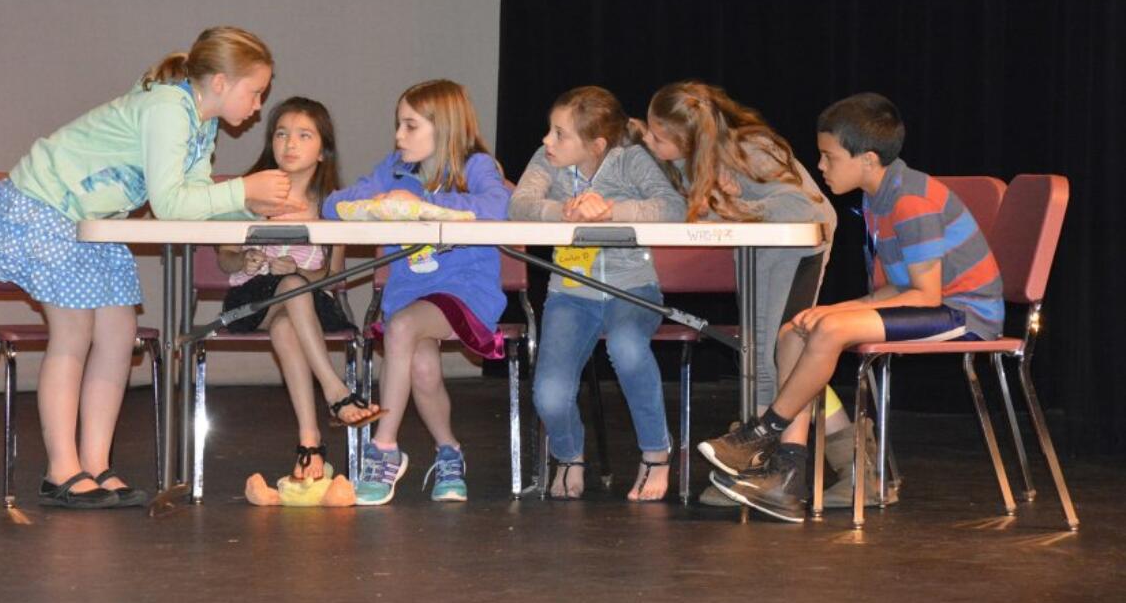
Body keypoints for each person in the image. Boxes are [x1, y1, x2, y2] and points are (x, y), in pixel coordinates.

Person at [0, 26, 291, 508]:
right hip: (48, 206)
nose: (259, 105)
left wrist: (251, 209)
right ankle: (61, 470)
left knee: (119, 334)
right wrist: (244, 190)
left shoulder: (202, 125)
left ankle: (94, 465)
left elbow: (194, 201)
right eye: (255, 91)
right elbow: (168, 202)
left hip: (93, 223)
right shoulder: (167, 109)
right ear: (220, 83)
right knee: (73, 331)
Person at [705, 92, 1004, 522]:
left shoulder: (909, 200)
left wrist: (839, 319)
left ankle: (762, 433)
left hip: (967, 315)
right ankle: (787, 474)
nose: (821, 167)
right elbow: (891, 290)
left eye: (828, 157)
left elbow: (927, 295)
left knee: (828, 330)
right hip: (929, 304)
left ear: (866, 159)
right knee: (797, 330)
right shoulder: (876, 198)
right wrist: (834, 309)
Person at [639, 81, 848, 507]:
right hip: (759, 256)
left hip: (800, 250)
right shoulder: (690, 161)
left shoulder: (751, 148)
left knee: (777, 354)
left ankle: (765, 467)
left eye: (657, 135)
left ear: (686, 137)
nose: (649, 140)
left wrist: (743, 208)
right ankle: (856, 460)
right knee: (762, 355)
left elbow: (802, 210)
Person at [322, 79, 510, 505]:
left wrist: (422, 204)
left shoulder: (476, 166)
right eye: (398, 125)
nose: (398, 136)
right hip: (410, 289)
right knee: (422, 367)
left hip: (465, 292)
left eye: (410, 126)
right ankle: (449, 453)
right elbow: (334, 205)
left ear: (443, 128)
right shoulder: (394, 168)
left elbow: (497, 208)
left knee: (404, 327)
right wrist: (374, 205)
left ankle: (383, 448)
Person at [509, 86, 686, 501]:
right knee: (549, 394)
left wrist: (610, 211)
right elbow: (519, 204)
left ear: (597, 144)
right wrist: (562, 211)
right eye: (549, 131)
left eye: (559, 134)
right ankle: (570, 456)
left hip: (633, 289)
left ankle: (656, 453)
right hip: (571, 292)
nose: (546, 142)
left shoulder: (631, 160)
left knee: (627, 346)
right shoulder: (547, 162)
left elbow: (672, 208)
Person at [217, 96, 382, 484]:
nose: (290, 144)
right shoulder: (249, 195)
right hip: (253, 300)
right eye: (281, 134)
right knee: (286, 294)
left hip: (312, 300)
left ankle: (310, 443)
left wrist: (300, 274)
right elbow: (224, 256)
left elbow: (334, 274)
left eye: (304, 135)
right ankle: (336, 390)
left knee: (288, 313)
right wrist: (245, 261)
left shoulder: (332, 205)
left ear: (323, 150)